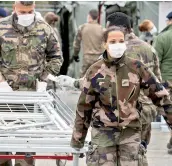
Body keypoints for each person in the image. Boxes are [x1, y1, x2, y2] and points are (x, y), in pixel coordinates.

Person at [58, 12, 162, 155]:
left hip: (119, 115)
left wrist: (73, 83)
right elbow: (157, 83)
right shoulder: (149, 49)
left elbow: (99, 82)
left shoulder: (115, 50)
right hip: (144, 114)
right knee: (136, 155)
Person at [70, 26, 172, 166]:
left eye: (121, 41)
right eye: (112, 42)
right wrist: (78, 138)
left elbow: (160, 96)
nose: (117, 45)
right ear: (104, 44)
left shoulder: (136, 67)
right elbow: (84, 106)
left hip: (130, 132)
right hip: (103, 133)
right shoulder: (95, 70)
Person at [0, 1, 63, 165]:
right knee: (0, 150)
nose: (26, 15)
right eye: (22, 11)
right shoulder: (0, 28)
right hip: (3, 97)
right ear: (14, 9)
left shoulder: (44, 29)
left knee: (25, 150)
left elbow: (56, 57)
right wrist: (0, 81)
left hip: (30, 98)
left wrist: (44, 79)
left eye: (30, 11)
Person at [154, 11, 172, 154]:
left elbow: (155, 61)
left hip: (167, 80)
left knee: (168, 111)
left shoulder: (162, 37)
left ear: (169, 21)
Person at [72, 9, 105, 77]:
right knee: (98, 78)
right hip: (99, 58)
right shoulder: (102, 29)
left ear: (89, 16)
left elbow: (76, 44)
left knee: (83, 78)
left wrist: (75, 54)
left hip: (87, 58)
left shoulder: (82, 28)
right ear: (97, 17)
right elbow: (106, 45)